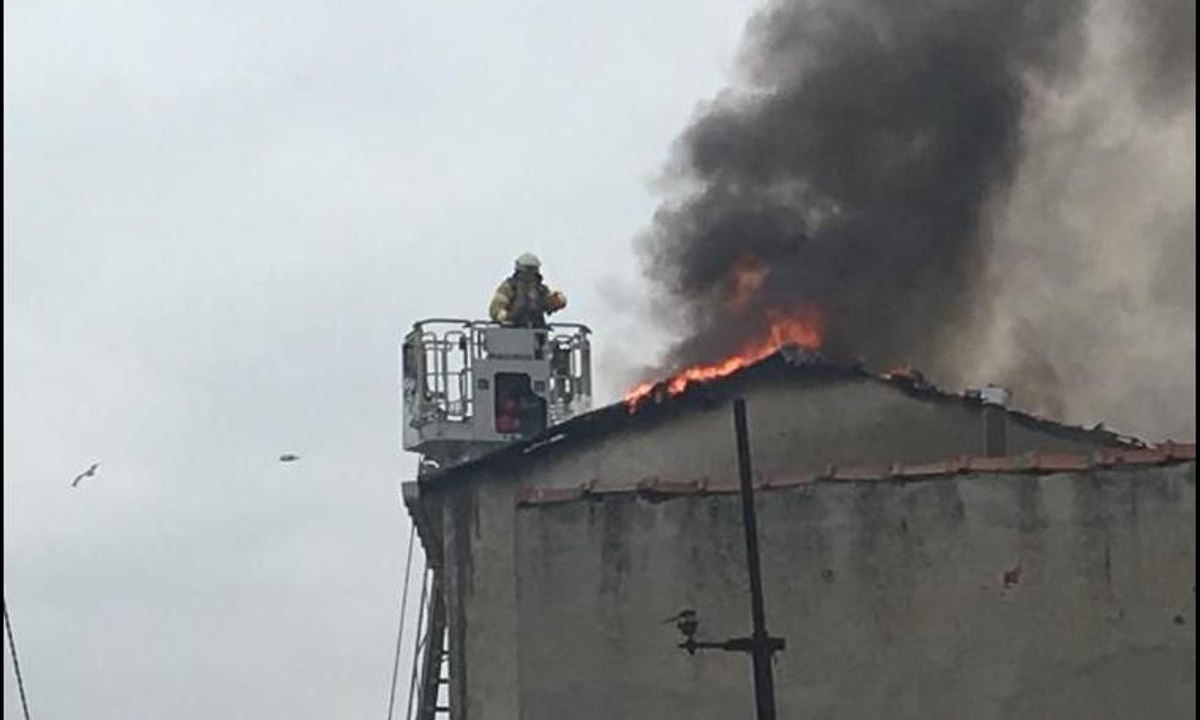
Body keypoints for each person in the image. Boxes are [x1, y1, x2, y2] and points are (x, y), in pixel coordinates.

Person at [488, 253, 567, 327]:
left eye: (533, 270)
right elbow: (495, 310)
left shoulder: (540, 289)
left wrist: (557, 300)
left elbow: (553, 300)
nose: (530, 274)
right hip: (512, 330)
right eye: (528, 270)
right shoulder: (509, 287)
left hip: (537, 331)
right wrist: (508, 317)